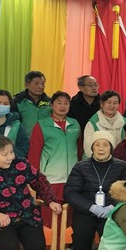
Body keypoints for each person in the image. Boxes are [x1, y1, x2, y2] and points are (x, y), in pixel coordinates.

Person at [64, 131, 126, 250]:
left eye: (105, 145)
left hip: (110, 211)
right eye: (97, 145)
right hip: (86, 210)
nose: (101, 148)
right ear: (92, 148)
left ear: (111, 148)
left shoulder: (121, 166)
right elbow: (70, 193)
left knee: (110, 239)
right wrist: (91, 207)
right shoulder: (81, 166)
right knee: (81, 236)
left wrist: (111, 207)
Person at [28, 91, 81, 222]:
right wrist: (35, 179)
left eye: (66, 103)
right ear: (51, 105)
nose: (63, 106)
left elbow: (79, 150)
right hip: (50, 179)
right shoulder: (42, 125)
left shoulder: (75, 124)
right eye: (59, 103)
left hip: (72, 178)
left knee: (69, 217)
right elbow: (34, 153)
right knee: (49, 217)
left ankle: (66, 237)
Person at [0, 89, 29, 159]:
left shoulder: (15, 124)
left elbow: (24, 145)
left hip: (8, 163)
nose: (2, 106)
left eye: (6, 104)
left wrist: (9, 156)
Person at [83, 90, 126, 158]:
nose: (112, 105)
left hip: (119, 160)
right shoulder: (92, 123)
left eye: (115, 103)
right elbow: (88, 149)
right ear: (101, 104)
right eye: (109, 102)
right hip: (96, 160)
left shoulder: (124, 122)